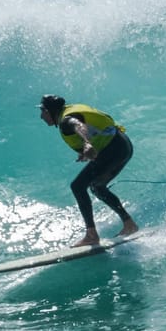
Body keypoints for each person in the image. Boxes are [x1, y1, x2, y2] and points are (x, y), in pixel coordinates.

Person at [39, 94, 141, 247]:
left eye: (43, 111)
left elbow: (79, 125)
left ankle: (91, 235)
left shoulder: (66, 120)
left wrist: (87, 144)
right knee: (97, 187)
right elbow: (95, 129)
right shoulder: (70, 111)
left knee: (78, 186)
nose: (41, 116)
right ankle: (129, 224)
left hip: (113, 150)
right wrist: (86, 149)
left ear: (50, 111)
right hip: (123, 145)